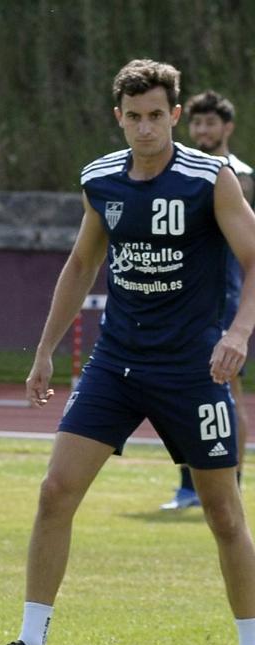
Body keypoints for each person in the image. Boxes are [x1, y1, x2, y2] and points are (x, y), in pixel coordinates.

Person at [0, 60, 255, 645]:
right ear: (117, 117)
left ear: (175, 116)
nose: (145, 128)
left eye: (157, 115)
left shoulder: (212, 179)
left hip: (193, 370)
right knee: (54, 492)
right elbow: (79, 267)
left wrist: (237, 333)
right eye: (134, 117)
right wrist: (44, 351)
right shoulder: (100, 180)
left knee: (224, 512)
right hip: (116, 364)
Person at [161, 90, 255, 510]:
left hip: (223, 300)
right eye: (196, 123)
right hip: (182, 300)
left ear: (227, 127)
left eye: (210, 123)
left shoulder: (237, 175)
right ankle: (189, 484)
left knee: (225, 391)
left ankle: (229, 482)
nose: (202, 130)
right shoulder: (182, 170)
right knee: (179, 391)